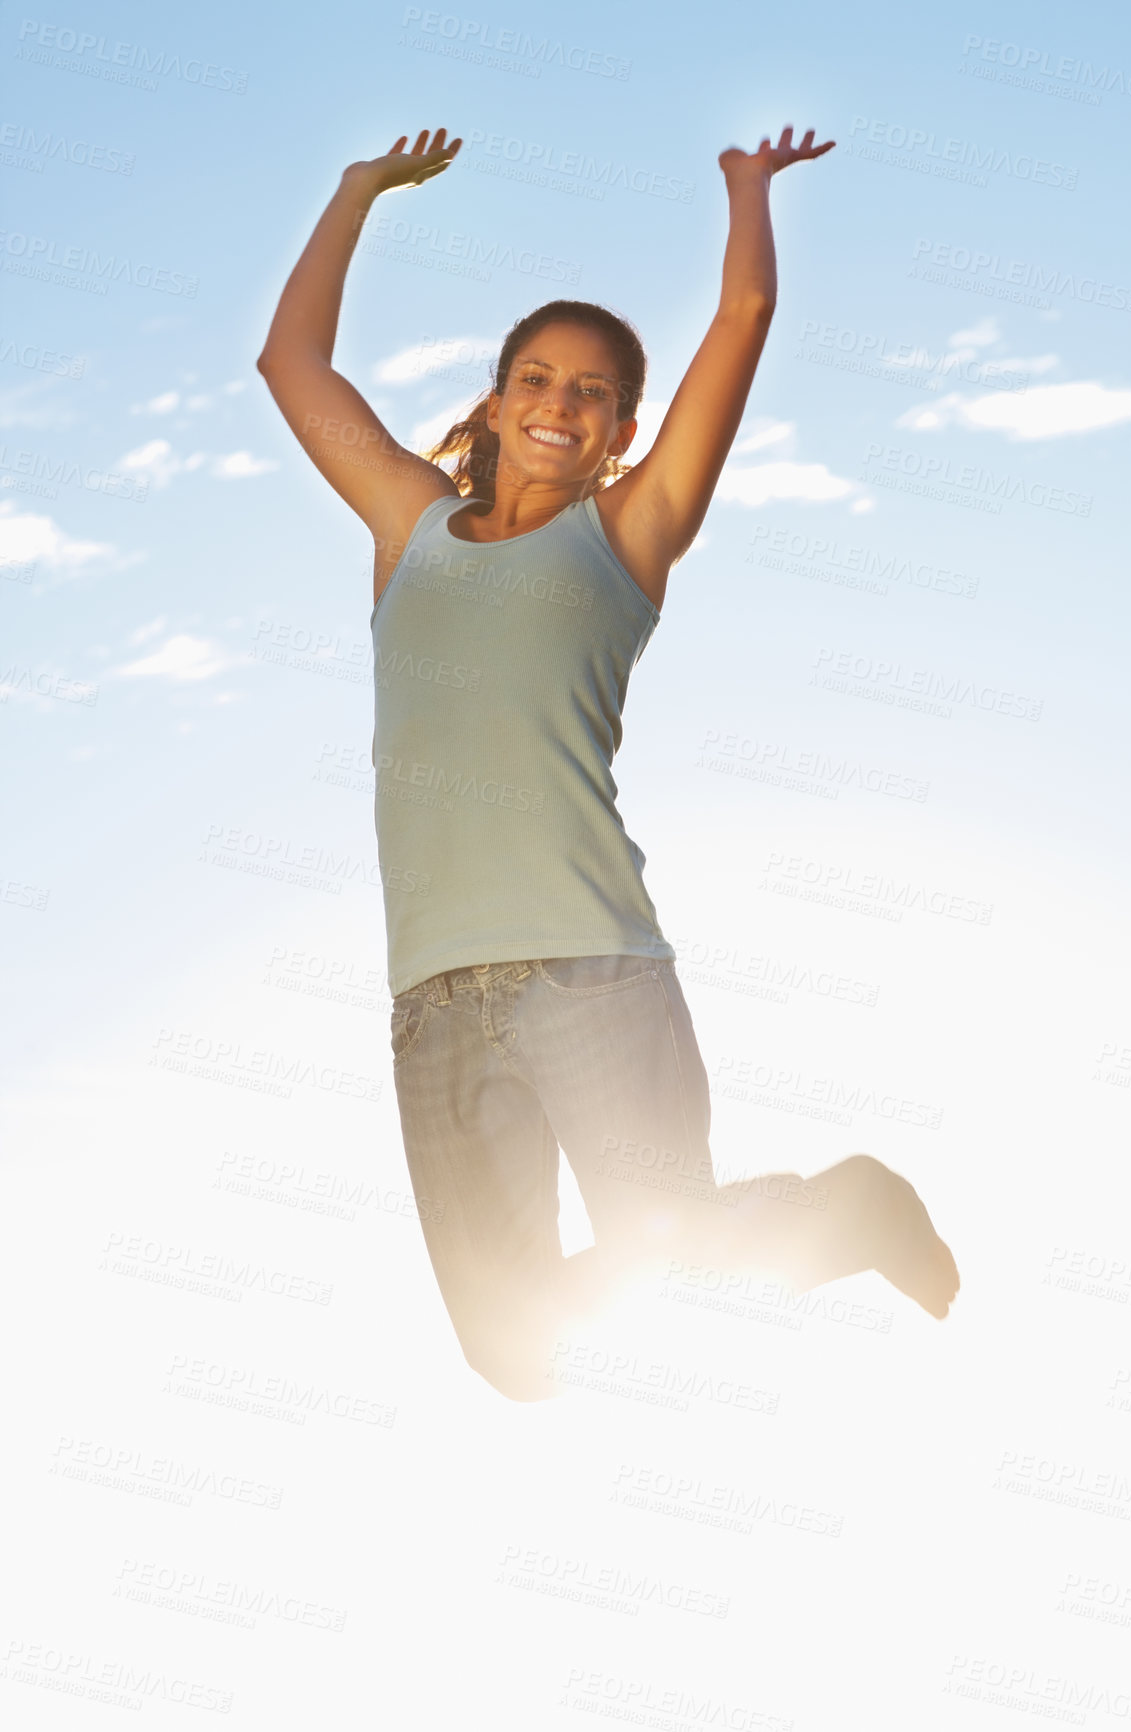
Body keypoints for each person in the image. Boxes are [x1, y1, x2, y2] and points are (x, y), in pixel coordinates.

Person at [257, 125, 960, 1402]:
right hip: (430, 1001)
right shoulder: (404, 525)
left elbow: (742, 312)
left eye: (589, 391)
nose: (557, 403)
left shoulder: (625, 539)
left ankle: (852, 1209)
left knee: (672, 1250)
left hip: (592, 972)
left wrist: (745, 193)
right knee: (509, 1348)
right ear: (495, 396)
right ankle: (827, 1221)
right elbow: (288, 360)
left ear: (620, 430)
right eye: (535, 375)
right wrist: (356, 189)